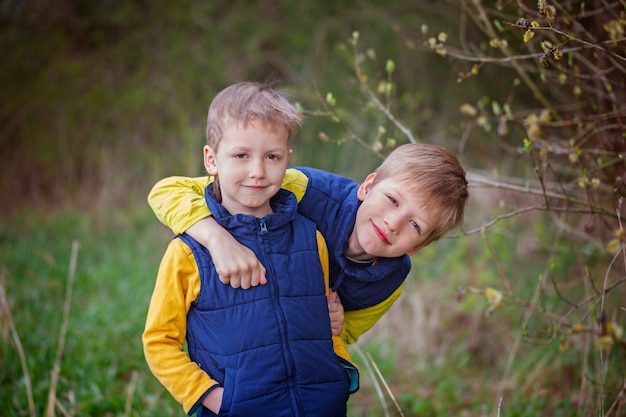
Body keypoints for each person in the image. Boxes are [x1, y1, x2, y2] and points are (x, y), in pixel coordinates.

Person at [142, 82, 358, 417]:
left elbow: (322, 319)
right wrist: (216, 398)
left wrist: (338, 369)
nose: (257, 172)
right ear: (212, 160)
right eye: (241, 155)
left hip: (322, 407)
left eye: (271, 156)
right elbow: (159, 342)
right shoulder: (187, 254)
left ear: (287, 160)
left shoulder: (311, 238)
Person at [148, 142, 469, 344]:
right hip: (231, 322)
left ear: (419, 247)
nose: (393, 222)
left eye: (415, 225)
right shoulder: (305, 190)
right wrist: (217, 239)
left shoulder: (389, 281)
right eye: (392, 199)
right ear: (368, 186)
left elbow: (348, 336)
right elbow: (168, 192)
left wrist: (338, 325)